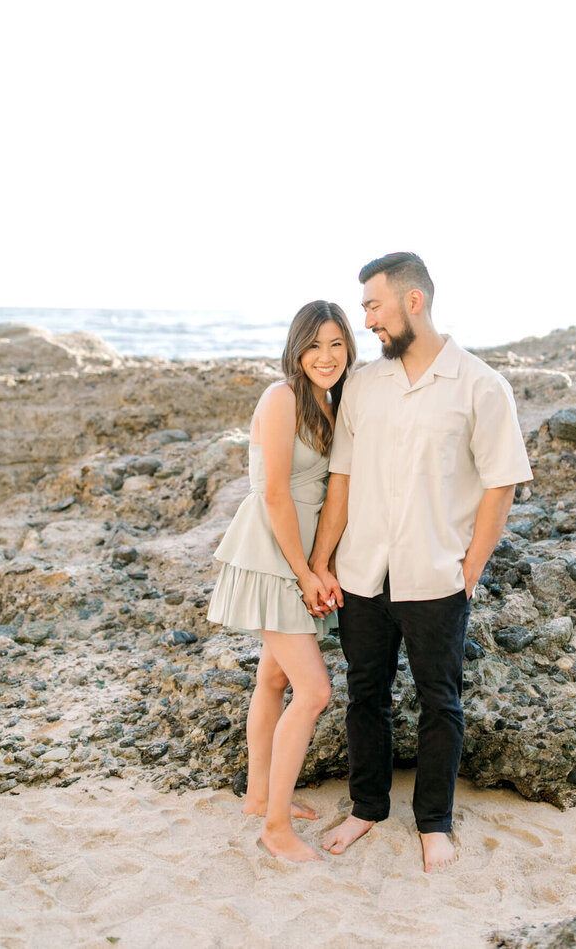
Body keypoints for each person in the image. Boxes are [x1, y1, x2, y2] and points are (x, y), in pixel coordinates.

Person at [308, 253, 533, 873]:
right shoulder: (362, 384)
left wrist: (472, 569)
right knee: (365, 698)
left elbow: (501, 483)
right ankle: (366, 809)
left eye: (374, 306)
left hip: (435, 574)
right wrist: (321, 563)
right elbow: (342, 479)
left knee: (442, 702)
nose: (367, 320)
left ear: (413, 301)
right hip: (361, 573)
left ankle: (435, 824)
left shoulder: (481, 385)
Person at [207, 300, 357, 863]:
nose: (326, 356)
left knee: (273, 679)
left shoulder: (332, 402)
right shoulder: (281, 397)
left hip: (301, 559)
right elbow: (274, 493)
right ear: (296, 349)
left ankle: (257, 795)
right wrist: (305, 573)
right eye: (314, 345)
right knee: (314, 692)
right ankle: (275, 828)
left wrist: (325, 566)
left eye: (337, 344)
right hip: (273, 554)